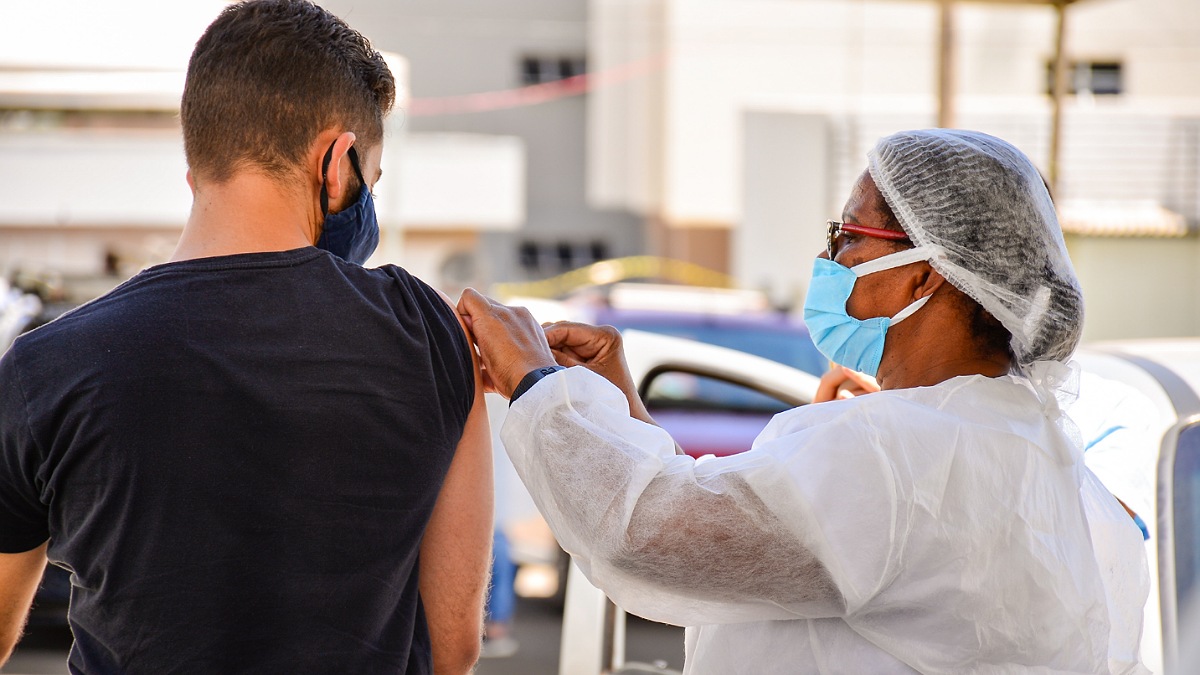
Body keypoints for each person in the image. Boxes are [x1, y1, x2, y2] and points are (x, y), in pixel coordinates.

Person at [458, 129, 1150, 673]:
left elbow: (644, 537)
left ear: (923, 277)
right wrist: (618, 400)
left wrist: (534, 382)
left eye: (847, 237)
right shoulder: (1045, 461)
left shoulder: (895, 453)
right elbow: (723, 534)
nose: (830, 260)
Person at [0, 1, 491, 673]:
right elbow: (454, 646)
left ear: (198, 166)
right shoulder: (431, 333)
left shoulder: (46, 365)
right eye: (369, 184)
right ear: (336, 161)